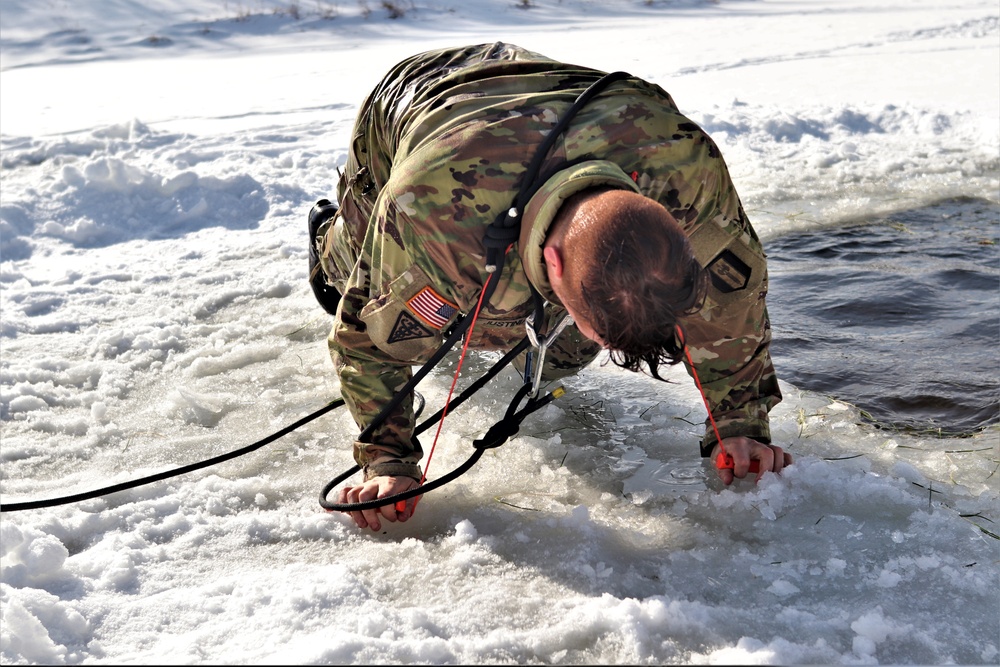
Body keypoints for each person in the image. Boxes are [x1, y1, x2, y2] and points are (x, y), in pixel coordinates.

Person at [308, 42, 790, 532]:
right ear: (552, 262)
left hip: (578, 109)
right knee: (358, 275)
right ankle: (328, 239)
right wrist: (389, 463)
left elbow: (730, 306)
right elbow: (367, 339)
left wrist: (738, 424)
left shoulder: (689, 173)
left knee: (561, 350)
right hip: (417, 102)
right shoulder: (434, 214)